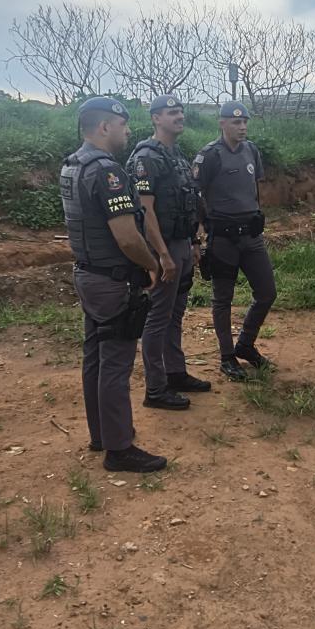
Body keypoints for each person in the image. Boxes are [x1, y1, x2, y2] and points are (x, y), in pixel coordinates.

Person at [60, 96, 167, 473]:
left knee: (95, 356)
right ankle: (120, 449)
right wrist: (152, 264)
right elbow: (126, 237)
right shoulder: (107, 171)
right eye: (122, 125)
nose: (126, 131)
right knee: (116, 363)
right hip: (111, 281)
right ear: (105, 127)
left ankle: (101, 434)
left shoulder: (72, 165)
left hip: (87, 275)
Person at [128, 94, 211, 411]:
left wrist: (193, 244)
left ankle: (175, 373)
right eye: (171, 112)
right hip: (160, 246)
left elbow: (187, 201)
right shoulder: (146, 157)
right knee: (157, 318)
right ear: (155, 118)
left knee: (175, 314)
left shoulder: (175, 155)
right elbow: (146, 212)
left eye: (180, 111)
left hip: (181, 244)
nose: (180, 116)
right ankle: (155, 388)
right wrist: (162, 255)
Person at [193, 101, 277, 382]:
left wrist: (256, 214)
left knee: (267, 292)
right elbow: (196, 195)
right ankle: (227, 356)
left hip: (251, 237)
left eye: (244, 123)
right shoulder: (209, 156)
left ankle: (245, 344)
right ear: (222, 123)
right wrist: (201, 231)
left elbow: (255, 189)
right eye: (235, 122)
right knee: (223, 299)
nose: (241, 127)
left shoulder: (251, 150)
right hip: (223, 240)